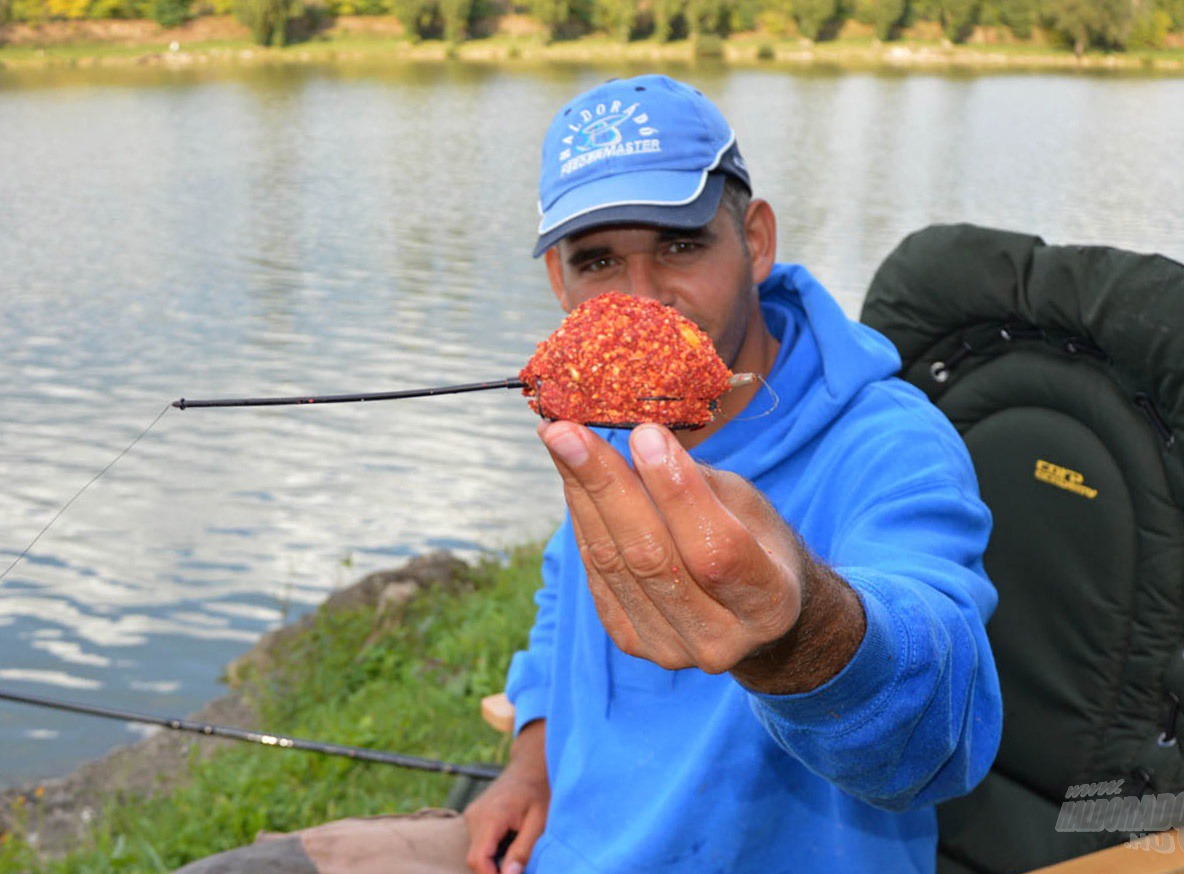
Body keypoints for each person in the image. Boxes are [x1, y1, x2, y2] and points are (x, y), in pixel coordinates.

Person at [177, 73, 1000, 874]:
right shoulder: (603, 420)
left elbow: (942, 732)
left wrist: (802, 635)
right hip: (556, 841)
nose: (641, 303)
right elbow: (561, 595)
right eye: (598, 262)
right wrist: (531, 757)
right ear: (556, 281)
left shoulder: (890, 443)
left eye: (680, 244)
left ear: (755, 241)